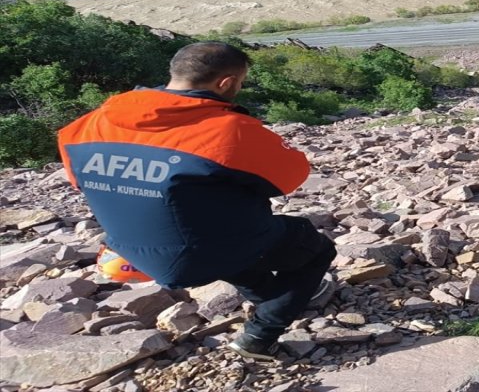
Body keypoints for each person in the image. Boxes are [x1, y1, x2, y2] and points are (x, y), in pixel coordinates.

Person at [57, 42, 336, 361]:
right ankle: (260, 336)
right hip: (201, 248)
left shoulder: (85, 125)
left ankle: (273, 295)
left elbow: (81, 181)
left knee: (223, 236)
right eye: (241, 83)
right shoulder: (228, 129)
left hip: (127, 247)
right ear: (227, 83)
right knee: (315, 248)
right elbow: (291, 176)